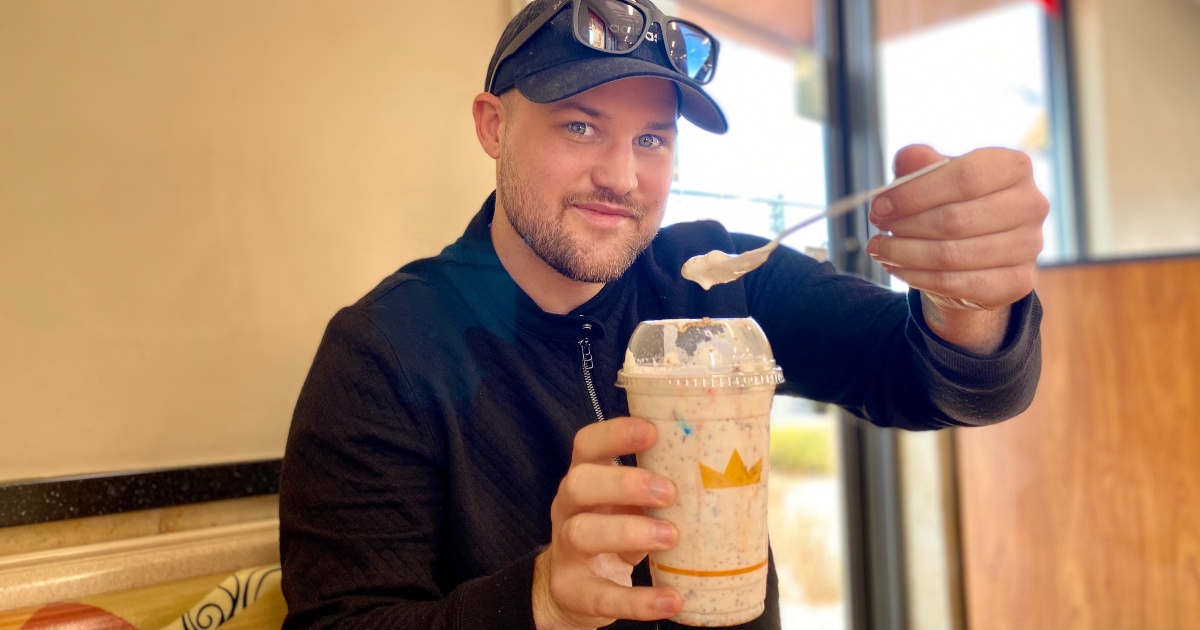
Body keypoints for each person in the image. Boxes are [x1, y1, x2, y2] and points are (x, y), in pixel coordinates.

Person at [278, 0, 1048, 628]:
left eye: (652, 138)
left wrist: (969, 296)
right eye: (581, 126)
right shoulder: (386, 351)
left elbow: (936, 378)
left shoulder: (715, 281)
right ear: (493, 125)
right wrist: (541, 596)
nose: (622, 176)